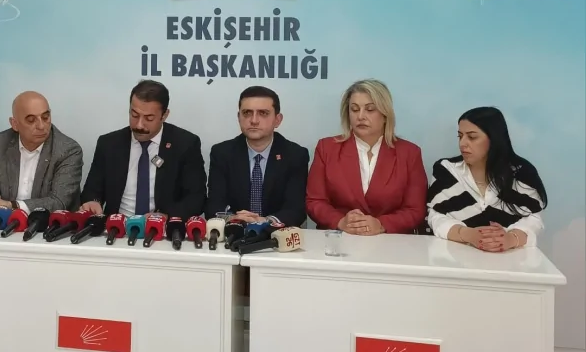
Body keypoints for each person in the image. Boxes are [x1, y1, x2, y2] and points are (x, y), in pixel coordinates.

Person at [306, 79, 427, 235]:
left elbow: (415, 209)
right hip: (339, 240)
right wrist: (340, 221)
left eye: (370, 109)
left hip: (391, 242)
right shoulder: (327, 148)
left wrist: (381, 224)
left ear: (385, 115)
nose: (361, 116)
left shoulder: (409, 153)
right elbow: (315, 201)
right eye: (354, 109)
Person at [80, 80, 206, 219]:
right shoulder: (109, 144)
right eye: (134, 115)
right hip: (116, 226)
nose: (139, 125)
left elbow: (196, 198)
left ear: (164, 115)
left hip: (162, 227)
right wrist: (93, 202)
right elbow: (91, 191)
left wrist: (166, 216)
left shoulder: (185, 144)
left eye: (149, 118)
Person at [427, 106, 547, 251]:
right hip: (456, 255)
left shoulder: (521, 173)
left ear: (494, 138)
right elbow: (435, 216)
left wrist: (509, 239)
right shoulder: (447, 170)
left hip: (511, 258)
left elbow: (533, 219)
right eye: (460, 136)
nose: (462, 143)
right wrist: (469, 235)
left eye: (472, 137)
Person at [205, 86, 309, 226]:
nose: (254, 120)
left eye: (263, 113)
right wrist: (234, 219)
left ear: (277, 120)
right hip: (234, 232)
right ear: (239, 117)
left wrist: (265, 222)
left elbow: (296, 209)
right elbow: (214, 205)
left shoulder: (295, 155)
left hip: (276, 234)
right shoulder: (222, 153)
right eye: (247, 113)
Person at [0, 91, 83, 213]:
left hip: (49, 223)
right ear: (15, 124)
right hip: (5, 222)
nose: (41, 126)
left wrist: (10, 205)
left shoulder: (68, 150)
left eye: (45, 117)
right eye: (31, 120)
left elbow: (59, 202)